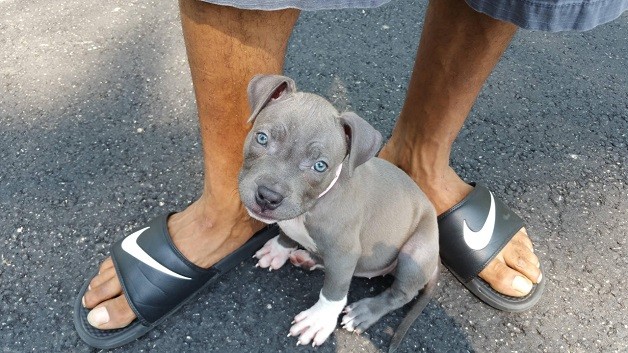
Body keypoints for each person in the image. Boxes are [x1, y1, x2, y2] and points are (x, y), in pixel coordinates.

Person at [73, 0, 627, 349]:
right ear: (261, 102)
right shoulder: (277, 103)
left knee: (376, 254)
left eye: (320, 165)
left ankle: (419, 164)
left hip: (377, 252)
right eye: (262, 137)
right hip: (332, 217)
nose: (271, 185)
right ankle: (227, 208)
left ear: (352, 154)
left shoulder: (346, 168)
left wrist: (331, 303)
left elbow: (343, 251)